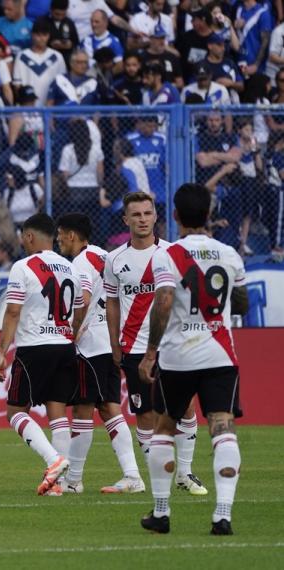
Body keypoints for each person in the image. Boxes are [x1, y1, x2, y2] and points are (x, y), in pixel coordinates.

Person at [138, 182, 248, 535]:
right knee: (223, 429)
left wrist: (151, 350)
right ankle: (223, 515)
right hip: (220, 354)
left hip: (178, 357)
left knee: (164, 429)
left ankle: (161, 512)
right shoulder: (229, 253)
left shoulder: (167, 254)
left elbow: (165, 300)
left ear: (174, 215)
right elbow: (243, 303)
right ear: (210, 213)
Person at [103, 191, 207, 495]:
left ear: (156, 216)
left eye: (147, 213)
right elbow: (111, 303)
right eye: (136, 215)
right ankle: (157, 476)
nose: (142, 219)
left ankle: (184, 474)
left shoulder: (174, 253)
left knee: (186, 408)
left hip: (172, 344)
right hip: (133, 347)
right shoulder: (115, 259)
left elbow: (191, 296)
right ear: (126, 219)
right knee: (145, 414)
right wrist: (113, 343)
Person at [0, 213, 82, 496]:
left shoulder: (23, 267)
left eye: (22, 238)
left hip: (35, 347)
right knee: (57, 413)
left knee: (15, 412)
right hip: (66, 345)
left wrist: (1, 353)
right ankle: (62, 484)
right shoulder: (70, 268)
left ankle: (53, 460)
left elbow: (13, 311)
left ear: (29, 237)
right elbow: (80, 308)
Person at [56, 213, 144, 494]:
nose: (58, 240)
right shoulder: (105, 256)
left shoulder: (80, 262)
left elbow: (81, 298)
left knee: (83, 408)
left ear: (71, 235)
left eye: (60, 234)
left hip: (92, 344)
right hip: (111, 341)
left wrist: (73, 332)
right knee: (108, 408)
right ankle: (132, 476)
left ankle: (73, 480)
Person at [13, 17, 66, 106]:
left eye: (44, 35)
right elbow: (17, 85)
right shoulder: (22, 56)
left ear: (49, 36)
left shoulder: (57, 57)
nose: (41, 38)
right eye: (38, 35)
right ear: (32, 35)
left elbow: (62, 85)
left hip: (50, 108)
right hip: (28, 108)